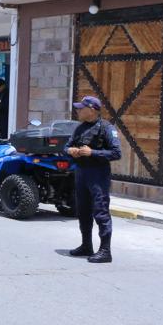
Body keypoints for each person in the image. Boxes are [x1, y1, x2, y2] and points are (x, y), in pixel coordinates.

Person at [65, 95, 122, 264]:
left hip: (98, 175)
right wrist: (71, 151)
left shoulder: (106, 128)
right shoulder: (79, 128)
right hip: (81, 173)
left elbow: (116, 153)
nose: (77, 111)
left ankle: (105, 251)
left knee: (101, 211)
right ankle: (86, 245)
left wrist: (93, 153)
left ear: (91, 110)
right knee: (83, 210)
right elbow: (66, 146)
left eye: (81, 108)